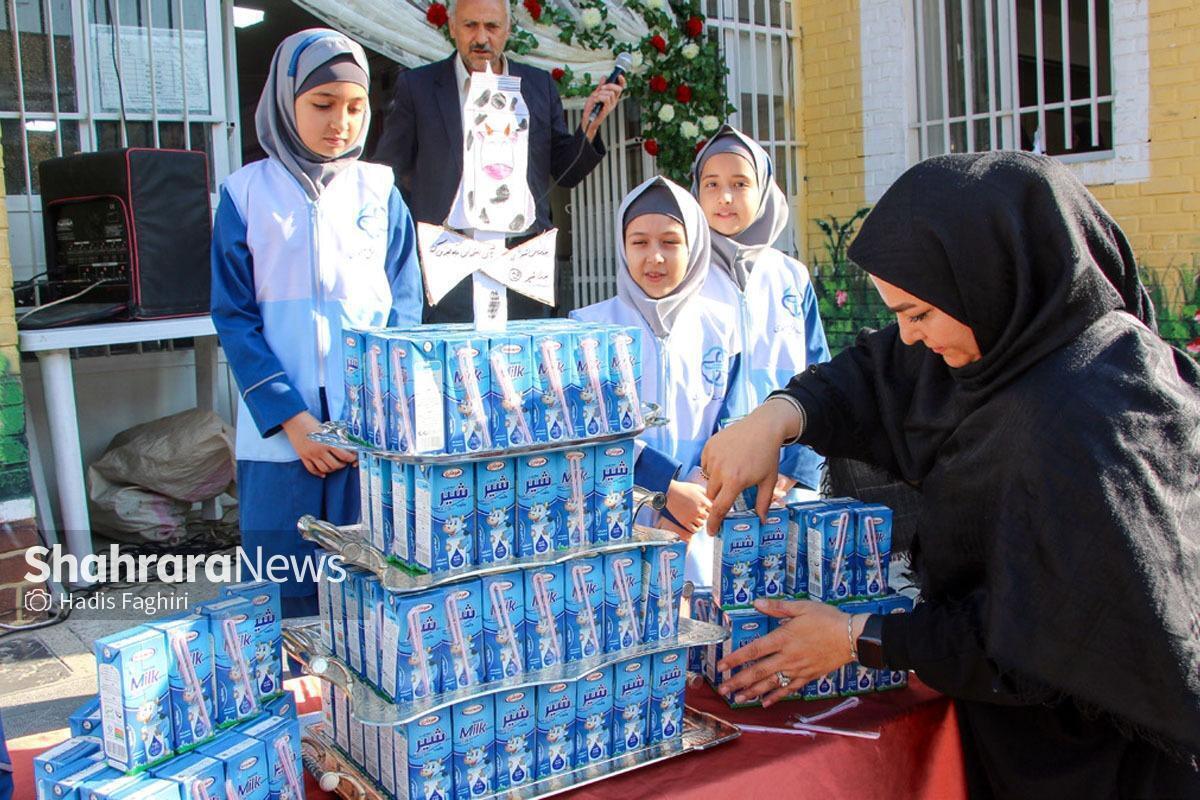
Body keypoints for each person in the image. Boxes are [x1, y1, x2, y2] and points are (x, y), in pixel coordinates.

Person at [700, 152, 1200, 798]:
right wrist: (778, 417)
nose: (907, 337)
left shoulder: (1085, 424)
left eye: (918, 314)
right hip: (1020, 744)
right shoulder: (1008, 338)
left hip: (1108, 767)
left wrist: (858, 638)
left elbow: (1032, 642)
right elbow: (878, 375)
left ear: (986, 279)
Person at [211, 29, 422, 617]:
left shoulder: (380, 192)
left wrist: (372, 413)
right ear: (285, 101)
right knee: (288, 592)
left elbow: (404, 314)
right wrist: (292, 419)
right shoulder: (245, 194)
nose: (342, 123)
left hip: (366, 436)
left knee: (373, 587)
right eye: (322, 104)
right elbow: (234, 316)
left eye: (356, 108)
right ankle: (299, 704)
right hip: (282, 439)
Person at [374, 0, 625, 323]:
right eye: (470, 26)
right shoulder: (419, 86)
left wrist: (588, 131)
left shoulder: (537, 85)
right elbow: (387, 173)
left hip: (523, 263)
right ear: (452, 28)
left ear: (508, 30)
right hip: (449, 265)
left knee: (525, 368)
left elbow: (564, 173)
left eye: (491, 27)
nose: (481, 38)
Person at [571, 177, 739, 583]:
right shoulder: (590, 329)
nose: (655, 258)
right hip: (615, 517)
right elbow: (589, 433)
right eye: (639, 243)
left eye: (670, 242)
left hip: (699, 519)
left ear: (695, 245)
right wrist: (664, 487)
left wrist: (695, 494)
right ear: (622, 247)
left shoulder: (723, 325)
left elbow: (733, 421)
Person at [692, 126, 830, 501]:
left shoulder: (791, 276)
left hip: (787, 475)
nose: (725, 197)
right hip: (709, 477)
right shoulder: (685, 278)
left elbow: (820, 376)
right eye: (711, 184)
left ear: (765, 189)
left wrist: (799, 470)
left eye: (740, 184)